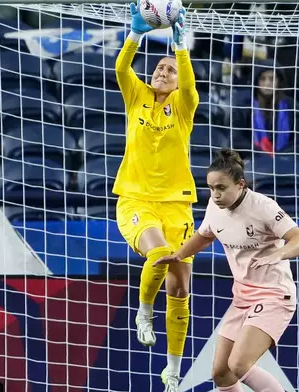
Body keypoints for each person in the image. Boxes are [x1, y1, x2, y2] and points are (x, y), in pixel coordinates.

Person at [155, 149, 299, 391]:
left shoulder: (263, 207)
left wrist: (278, 254)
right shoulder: (214, 206)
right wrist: (178, 255)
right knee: (221, 372)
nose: (215, 194)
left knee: (239, 364)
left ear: (240, 184)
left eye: (221, 188)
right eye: (211, 188)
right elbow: (205, 235)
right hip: (242, 297)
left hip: (274, 296)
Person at [113, 1, 199, 390]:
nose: (163, 72)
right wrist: (135, 34)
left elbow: (190, 83)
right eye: (159, 68)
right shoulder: (137, 96)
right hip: (136, 200)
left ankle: (173, 370)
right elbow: (121, 68)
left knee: (180, 288)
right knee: (160, 253)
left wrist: (180, 48)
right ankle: (144, 311)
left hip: (178, 204)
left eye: (170, 70)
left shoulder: (184, 106)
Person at [251, 64, 295, 155]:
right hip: (254, 160)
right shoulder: (245, 107)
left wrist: (281, 154)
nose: (267, 83)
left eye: (272, 79)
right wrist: (260, 152)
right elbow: (238, 139)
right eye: (263, 79)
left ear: (279, 82)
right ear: (256, 82)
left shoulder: (292, 106)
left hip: (286, 160)